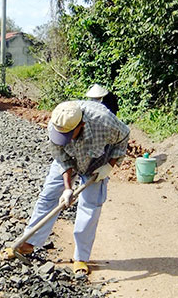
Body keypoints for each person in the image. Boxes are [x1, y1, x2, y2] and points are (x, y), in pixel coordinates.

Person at [16, 99, 129, 275]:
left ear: (81, 125)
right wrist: (68, 188)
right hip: (70, 157)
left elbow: (124, 136)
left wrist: (110, 166)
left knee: (90, 206)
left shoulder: (104, 121)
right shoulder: (57, 123)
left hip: (97, 160)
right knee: (48, 196)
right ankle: (28, 242)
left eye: (70, 134)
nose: (65, 137)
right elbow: (62, 158)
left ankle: (81, 258)